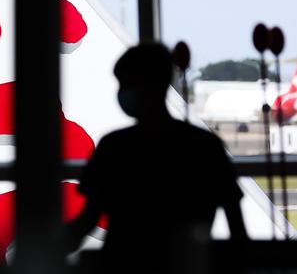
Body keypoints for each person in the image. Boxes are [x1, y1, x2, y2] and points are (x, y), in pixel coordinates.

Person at [64, 43, 247, 273]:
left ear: (143, 85)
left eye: (126, 84)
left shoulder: (115, 147)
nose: (122, 91)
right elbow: (237, 227)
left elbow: (86, 221)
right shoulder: (205, 146)